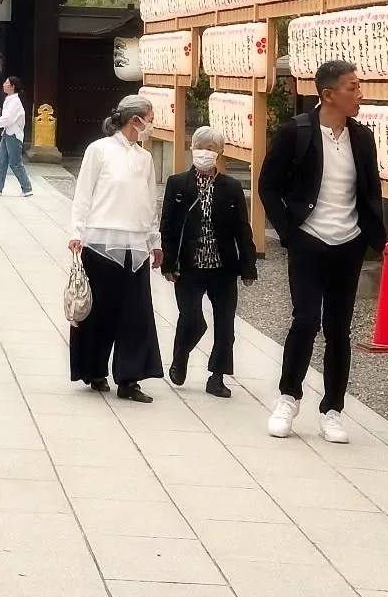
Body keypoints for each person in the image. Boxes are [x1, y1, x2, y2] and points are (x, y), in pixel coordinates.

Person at [259, 59, 386, 443]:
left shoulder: (362, 138)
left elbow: (370, 191)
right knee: (304, 321)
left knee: (339, 329)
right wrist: (289, 232)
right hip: (309, 240)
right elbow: (268, 186)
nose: (359, 93)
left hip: (348, 243)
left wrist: (369, 237)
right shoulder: (295, 132)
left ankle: (332, 409)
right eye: (353, 87)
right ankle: (288, 397)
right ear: (328, 95)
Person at [68, 93, 164, 400]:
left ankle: (130, 378)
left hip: (134, 245)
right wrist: (76, 231)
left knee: (136, 314)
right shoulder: (99, 150)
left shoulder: (144, 157)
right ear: (134, 120)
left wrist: (155, 240)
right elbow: (84, 193)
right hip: (100, 241)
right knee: (99, 311)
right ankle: (94, 370)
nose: (151, 124)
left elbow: (150, 202)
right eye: (148, 119)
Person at [160, 126, 258, 399]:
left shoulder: (231, 187)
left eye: (211, 148)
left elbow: (242, 228)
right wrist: (169, 262)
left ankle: (217, 376)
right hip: (188, 266)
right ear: (193, 149)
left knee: (225, 323)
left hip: (222, 266)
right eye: (201, 147)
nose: (206, 153)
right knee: (191, 317)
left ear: (220, 153)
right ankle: (180, 355)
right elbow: (166, 225)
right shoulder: (178, 184)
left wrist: (248, 266)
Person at [0, 76, 33, 197]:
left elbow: (8, 118)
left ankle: (27, 187)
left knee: (15, 162)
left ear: (12, 87)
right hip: (7, 133)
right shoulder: (9, 99)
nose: (4, 84)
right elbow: (6, 116)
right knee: (1, 160)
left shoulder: (15, 101)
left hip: (14, 135)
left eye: (6, 83)